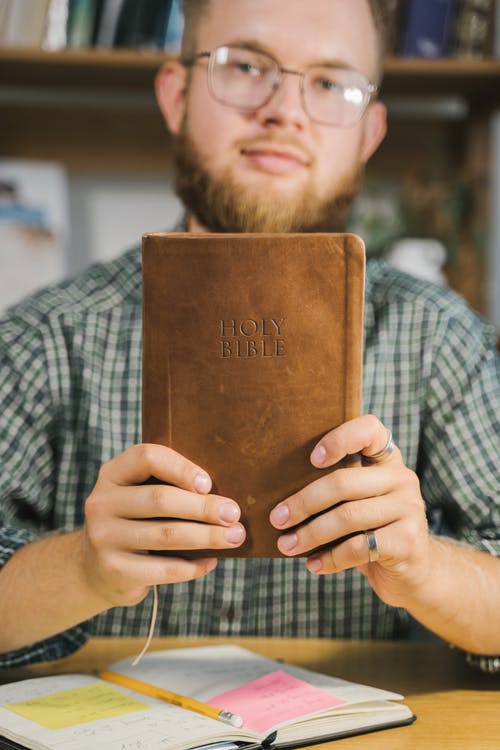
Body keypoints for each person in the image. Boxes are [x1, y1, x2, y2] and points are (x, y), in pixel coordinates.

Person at [0, 0, 499, 672]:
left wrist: (424, 565)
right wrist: (85, 568)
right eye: (245, 66)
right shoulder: (45, 339)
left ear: (369, 131)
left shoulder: (440, 342)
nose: (285, 111)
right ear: (175, 96)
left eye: (329, 83)